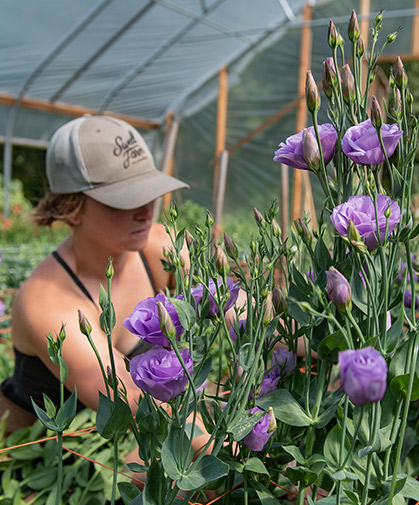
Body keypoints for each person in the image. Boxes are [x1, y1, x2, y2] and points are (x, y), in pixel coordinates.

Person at [0, 114, 191, 436]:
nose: (147, 210)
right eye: (125, 200)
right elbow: (133, 400)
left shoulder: (159, 249)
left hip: (123, 449)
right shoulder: (47, 302)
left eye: (149, 191)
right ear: (72, 208)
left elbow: (238, 309)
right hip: (41, 465)